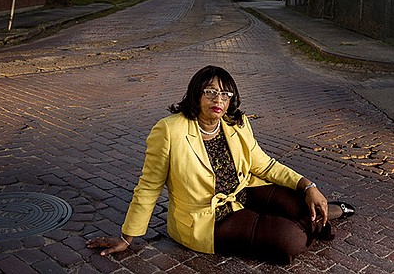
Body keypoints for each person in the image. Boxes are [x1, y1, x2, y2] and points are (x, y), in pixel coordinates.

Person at [87, 65, 354, 264]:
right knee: (290, 239)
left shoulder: (236, 122)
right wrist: (127, 236)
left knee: (301, 202)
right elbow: (149, 186)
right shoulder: (169, 130)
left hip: (244, 191)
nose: (218, 100)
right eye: (211, 92)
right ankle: (323, 216)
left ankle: (324, 211)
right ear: (196, 94)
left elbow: (264, 164)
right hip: (208, 218)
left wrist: (308, 186)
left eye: (225, 94)